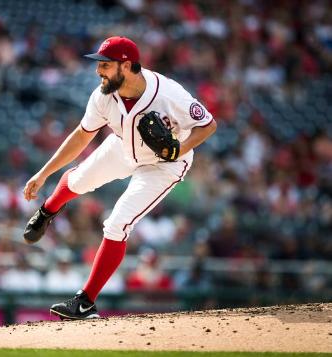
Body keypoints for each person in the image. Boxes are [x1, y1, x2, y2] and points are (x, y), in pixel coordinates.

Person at [22, 36, 217, 320]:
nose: (98, 71)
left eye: (104, 65)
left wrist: (178, 150)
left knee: (116, 225)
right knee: (76, 183)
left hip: (162, 165)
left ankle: (85, 302)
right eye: (98, 64)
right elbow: (81, 136)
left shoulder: (169, 94)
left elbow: (208, 125)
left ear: (126, 66)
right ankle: (47, 210)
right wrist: (43, 173)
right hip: (124, 145)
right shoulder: (102, 95)